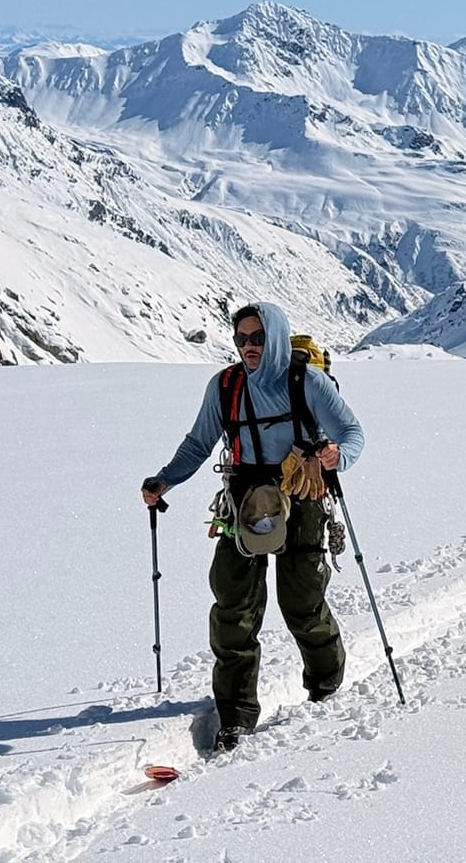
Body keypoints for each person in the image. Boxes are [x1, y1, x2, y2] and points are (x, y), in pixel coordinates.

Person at [140, 301, 364, 751]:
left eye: (257, 338)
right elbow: (199, 442)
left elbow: (352, 432)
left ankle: (326, 687)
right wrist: (165, 480)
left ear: (276, 337)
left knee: (301, 602)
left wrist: (339, 456)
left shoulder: (308, 382)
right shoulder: (224, 386)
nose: (248, 347)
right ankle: (236, 715)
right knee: (233, 608)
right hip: (244, 500)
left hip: (302, 498)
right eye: (241, 338)